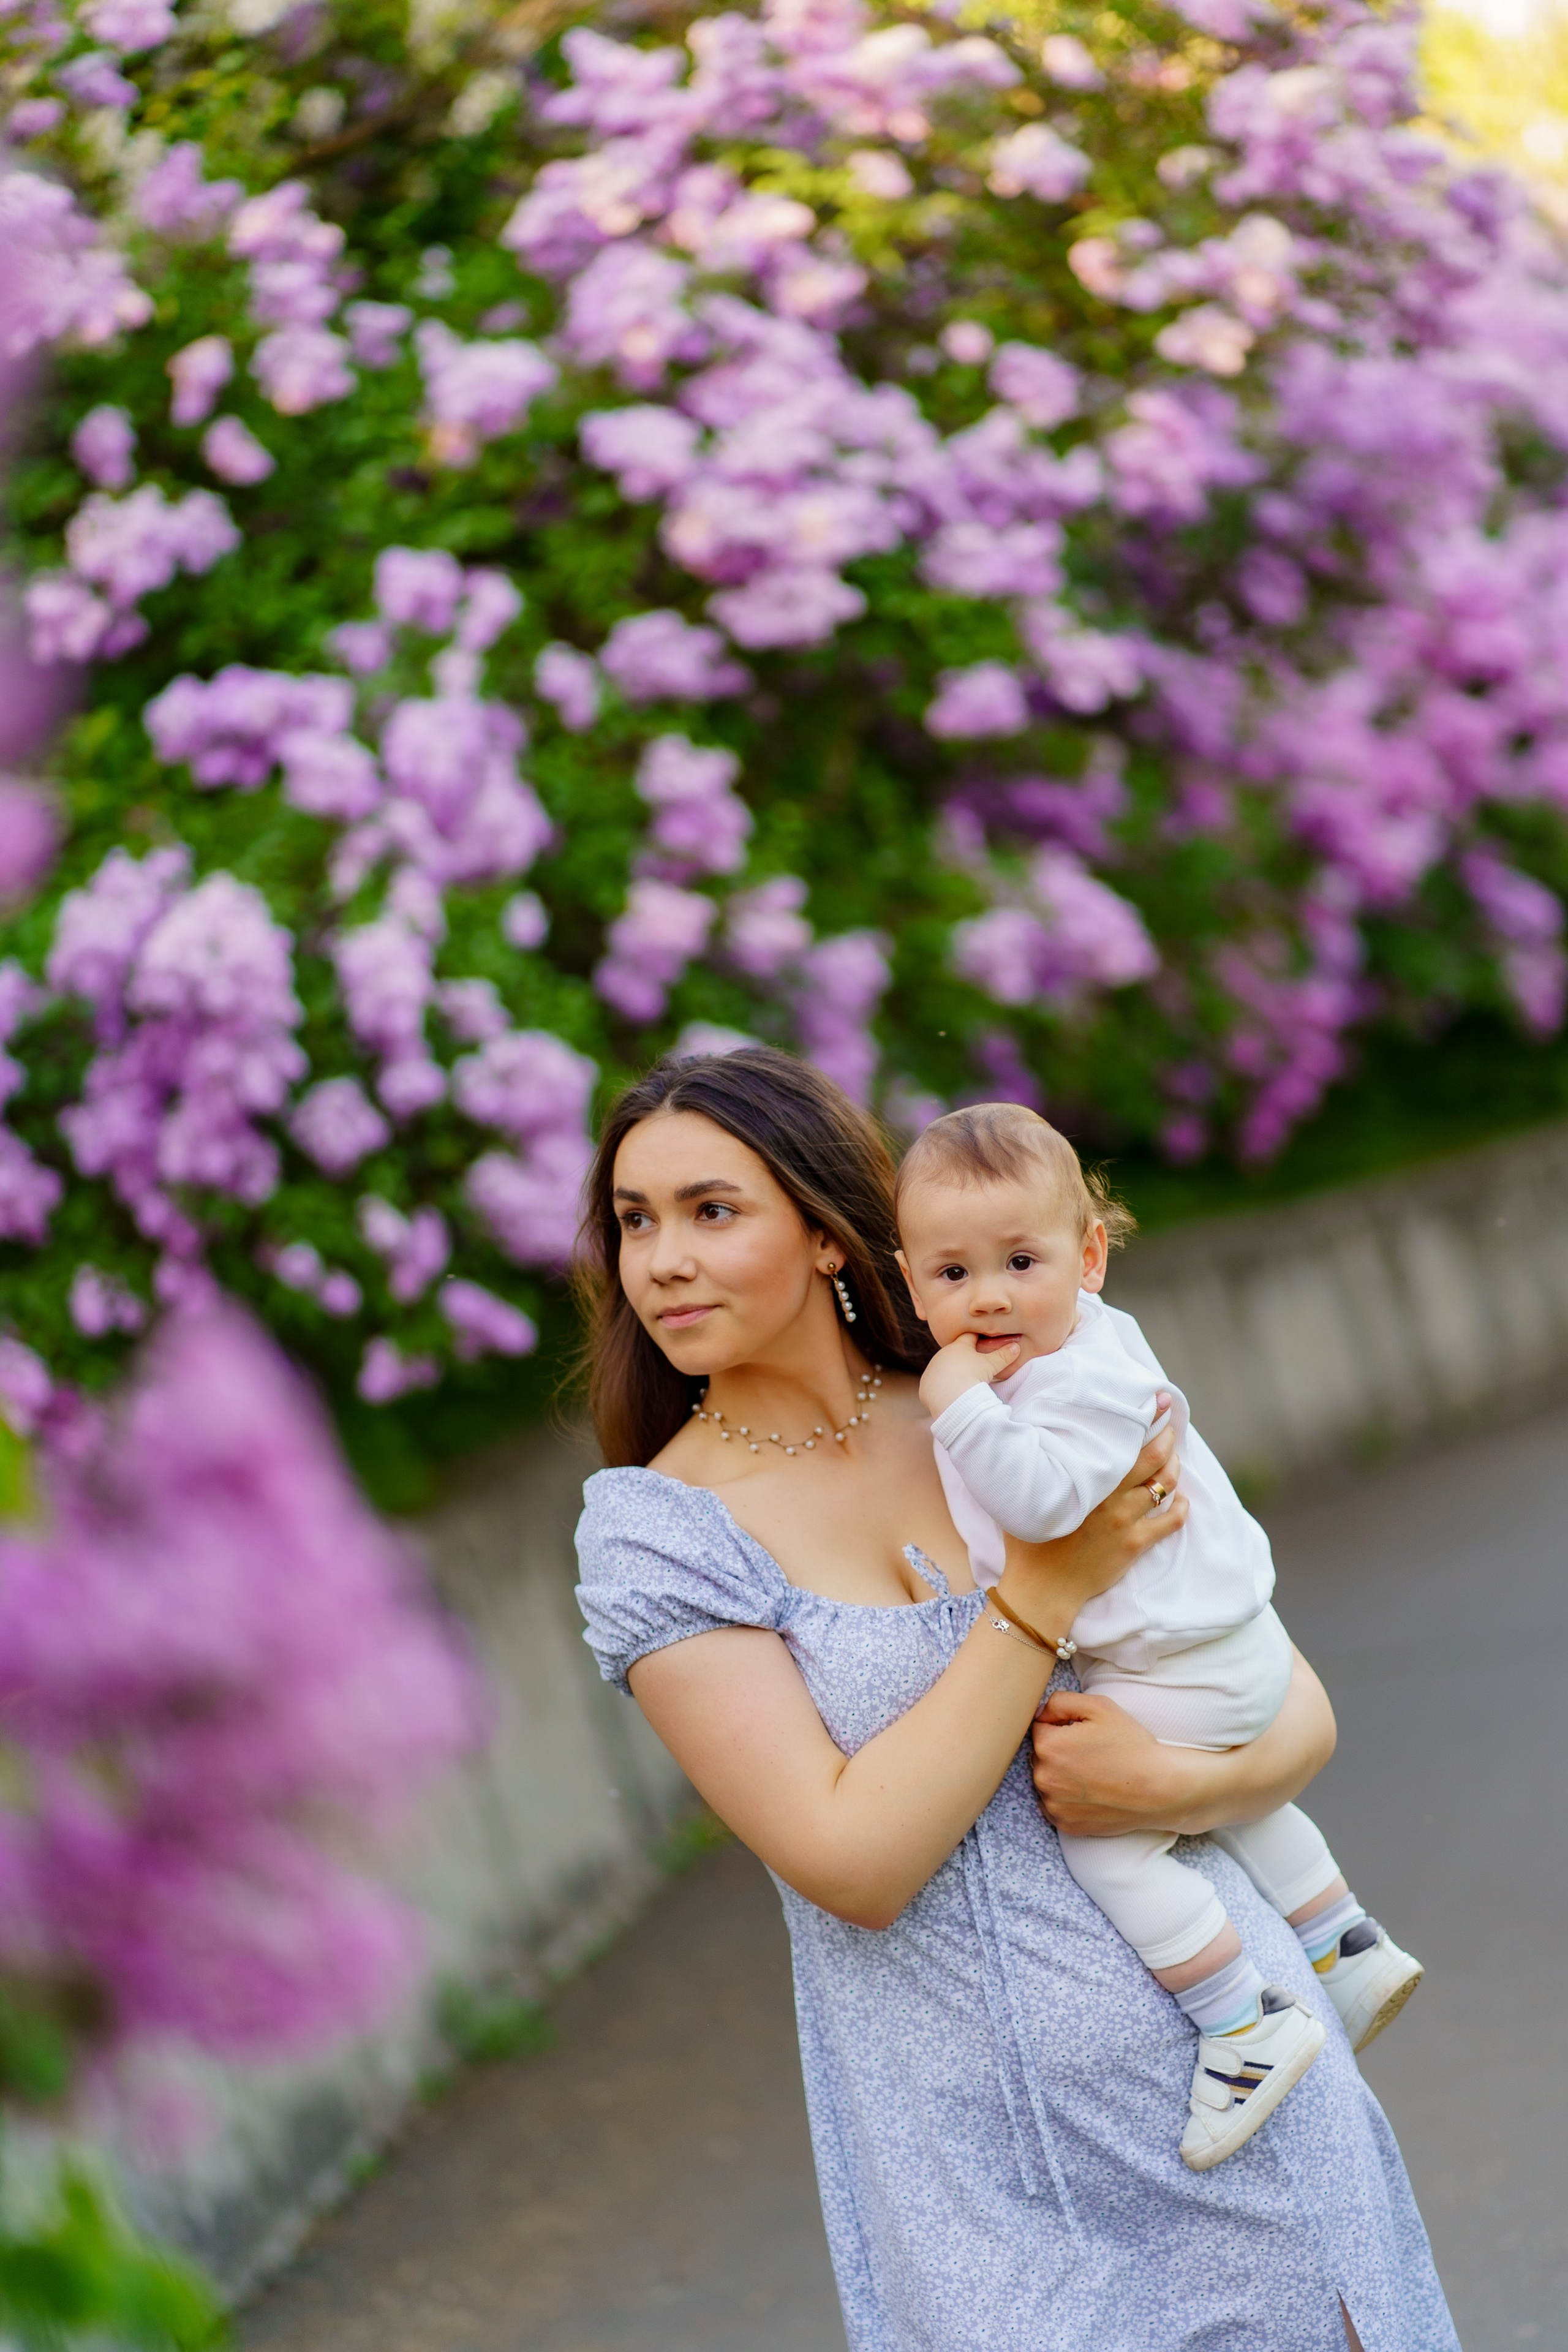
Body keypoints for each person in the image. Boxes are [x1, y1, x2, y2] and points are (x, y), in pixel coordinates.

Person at [573, 1046, 1458, 2352]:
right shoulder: (660, 1533)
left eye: (711, 1211)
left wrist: (1183, 1786)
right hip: (990, 2181)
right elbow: (853, 1861)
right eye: (633, 1223)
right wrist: (1039, 1595)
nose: (661, 1261)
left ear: (827, 1235)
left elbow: (1281, 1693)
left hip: (1245, 2096)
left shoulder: (1023, 1395)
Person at [893, 1099, 1423, 2173]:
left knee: (1108, 1837)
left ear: (1090, 1257)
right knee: (1219, 1786)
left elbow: (1044, 1507)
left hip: (1184, 1657)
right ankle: (1344, 1942)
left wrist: (953, 1401)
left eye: (1020, 1262)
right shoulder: (1061, 1353)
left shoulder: (1082, 1377)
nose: (988, 1296)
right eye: (951, 1276)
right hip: (1220, 1650)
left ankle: (1242, 2021)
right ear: (909, 1279)